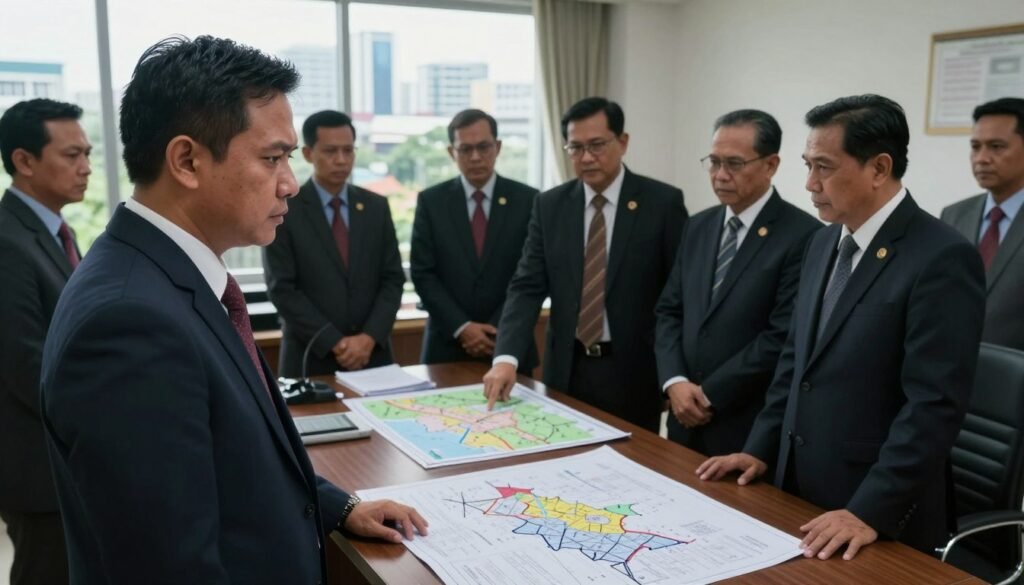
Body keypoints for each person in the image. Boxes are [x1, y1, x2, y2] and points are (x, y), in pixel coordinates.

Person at [40, 36, 426, 584]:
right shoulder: (128, 325)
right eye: (272, 158)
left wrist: (338, 507)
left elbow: (238, 462)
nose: (291, 183)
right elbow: (172, 568)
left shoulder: (176, 280)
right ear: (187, 160)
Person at [697, 94, 985, 560]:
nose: (809, 183)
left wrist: (869, 510)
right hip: (798, 490)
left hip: (874, 514)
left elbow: (933, 405)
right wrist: (761, 449)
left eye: (824, 167)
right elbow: (795, 364)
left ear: (878, 168)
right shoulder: (822, 242)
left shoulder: (941, 257)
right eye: (807, 164)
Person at [483, 97, 687, 432]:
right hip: (566, 369)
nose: (587, 157)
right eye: (575, 148)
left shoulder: (662, 203)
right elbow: (526, 286)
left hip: (634, 374)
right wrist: (506, 357)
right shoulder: (550, 206)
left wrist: (674, 373)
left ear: (622, 142)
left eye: (597, 145)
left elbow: (678, 297)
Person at [654, 109, 820, 456]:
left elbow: (781, 336)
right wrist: (675, 382)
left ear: (771, 164)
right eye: (713, 162)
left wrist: (708, 394)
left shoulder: (804, 236)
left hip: (745, 428)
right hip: (682, 417)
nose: (720, 175)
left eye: (734, 164)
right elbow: (670, 311)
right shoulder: (698, 226)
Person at [0, 98, 90, 585]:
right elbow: (25, 363)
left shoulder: (56, 230)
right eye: (71, 155)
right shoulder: (7, 241)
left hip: (63, 454)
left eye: (88, 154)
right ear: (24, 160)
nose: (86, 168)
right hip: (36, 467)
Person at [263, 110, 404, 376]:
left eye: (348, 151)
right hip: (311, 357)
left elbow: (392, 279)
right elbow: (282, 288)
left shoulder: (376, 207)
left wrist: (368, 338)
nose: (341, 160)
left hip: (373, 355)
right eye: (330, 151)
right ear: (307, 153)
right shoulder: (285, 209)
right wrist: (335, 343)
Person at [411, 109, 539, 371]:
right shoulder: (431, 202)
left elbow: (530, 276)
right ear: (451, 152)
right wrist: (463, 327)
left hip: (509, 347)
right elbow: (423, 274)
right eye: (465, 149)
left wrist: (495, 328)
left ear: (498, 146)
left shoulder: (529, 200)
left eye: (484, 147)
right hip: (446, 346)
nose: (476, 157)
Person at [941, 97, 1024, 351]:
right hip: (950, 366)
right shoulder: (953, 215)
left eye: (997, 147)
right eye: (975, 147)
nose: (982, 158)